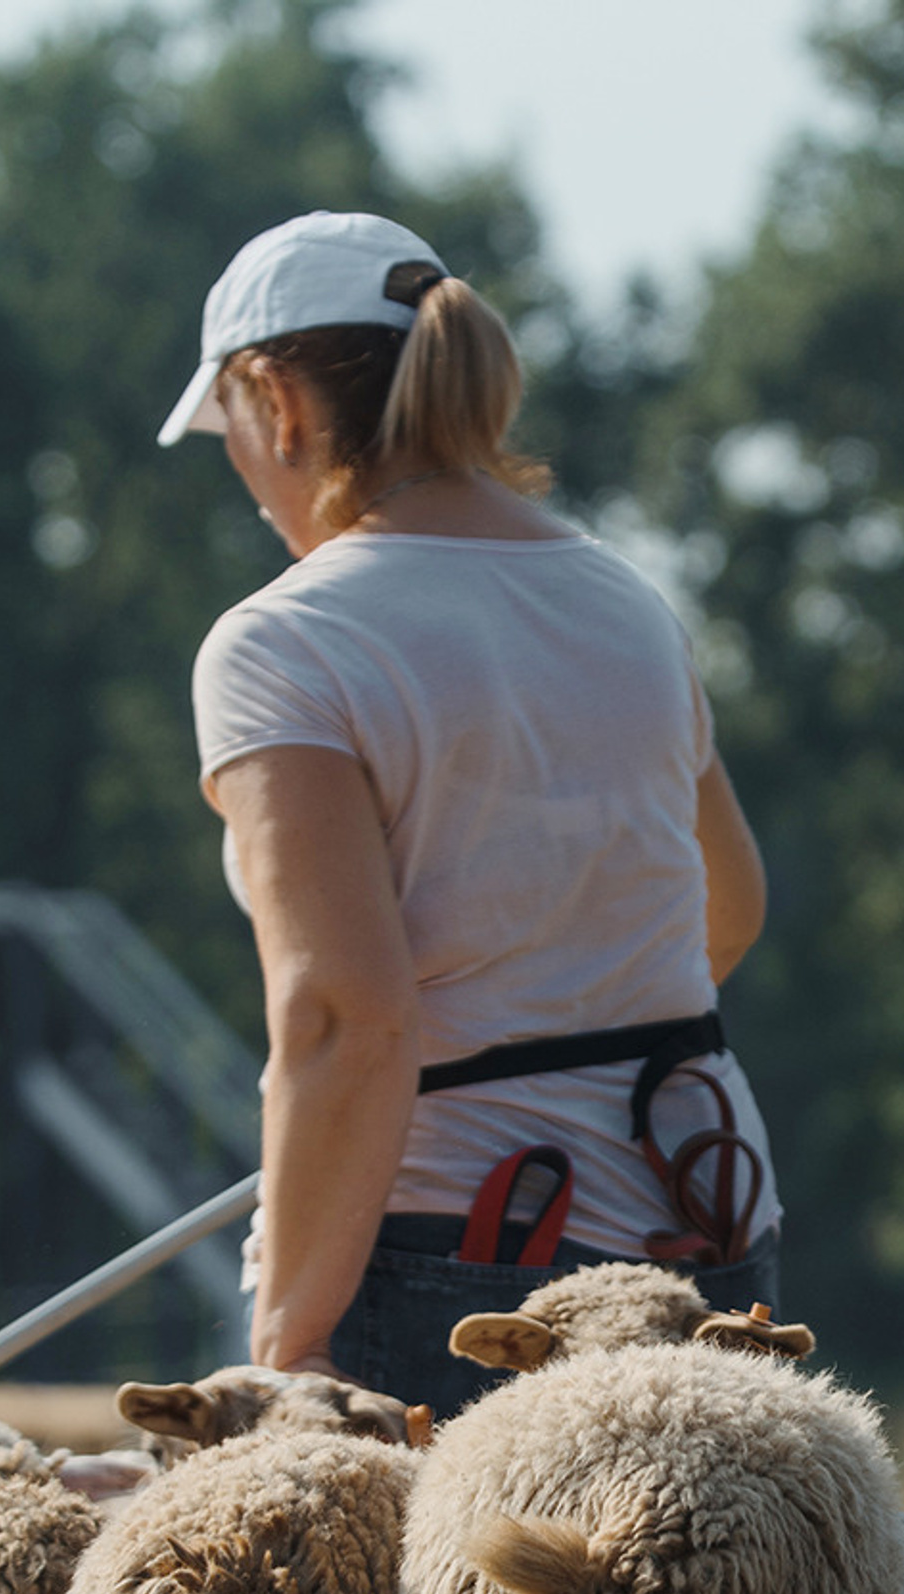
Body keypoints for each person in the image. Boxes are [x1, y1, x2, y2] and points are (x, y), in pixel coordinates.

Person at [160, 209, 780, 1422]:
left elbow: (348, 1018)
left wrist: (284, 1354)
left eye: (227, 430)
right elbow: (731, 910)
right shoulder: (628, 599)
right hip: (709, 1221)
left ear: (276, 401)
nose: (240, 469)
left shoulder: (284, 643)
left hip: (471, 1257)